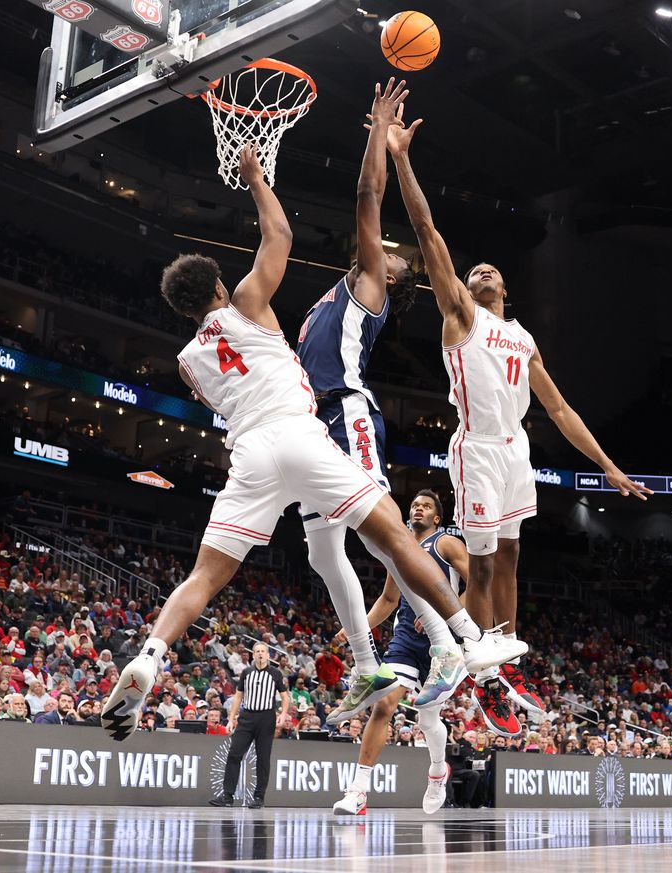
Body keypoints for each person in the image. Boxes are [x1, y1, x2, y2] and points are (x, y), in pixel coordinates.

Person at [99, 142, 524, 740]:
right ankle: (459, 641)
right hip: (304, 432)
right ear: (220, 286)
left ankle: (148, 655)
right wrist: (254, 177)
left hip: (261, 448)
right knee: (383, 538)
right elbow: (279, 233)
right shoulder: (250, 302)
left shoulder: (189, 361)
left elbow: (367, 207)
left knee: (207, 575)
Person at [387, 103, 649, 732]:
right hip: (475, 447)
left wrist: (609, 467)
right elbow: (427, 232)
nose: (480, 271)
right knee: (477, 563)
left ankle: (500, 656)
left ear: (505, 287)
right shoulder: (462, 317)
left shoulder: (522, 336)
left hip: (516, 451)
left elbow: (559, 408)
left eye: (489, 269)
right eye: (473, 270)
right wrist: (401, 157)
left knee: (508, 559)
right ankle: (469, 651)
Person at [292, 79, 420, 719]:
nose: (382, 249)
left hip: (348, 412)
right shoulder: (329, 296)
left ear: (389, 275)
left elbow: (367, 197)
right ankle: (369, 669)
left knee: (379, 533)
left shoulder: (372, 283)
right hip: (314, 426)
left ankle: (447, 639)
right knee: (322, 549)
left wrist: (378, 131)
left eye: (390, 254)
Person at [333, 489, 468, 816]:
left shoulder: (447, 544)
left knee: (427, 718)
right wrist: (356, 628)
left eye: (425, 506)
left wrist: (451, 615)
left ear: (437, 517)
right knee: (384, 705)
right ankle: (359, 790)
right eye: (414, 505)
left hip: (444, 644)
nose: (418, 509)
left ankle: (438, 770)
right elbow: (389, 601)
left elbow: (478, 583)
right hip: (406, 637)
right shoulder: (399, 549)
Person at [210, 642, 290, 809]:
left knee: (263, 758)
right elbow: (238, 697)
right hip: (247, 717)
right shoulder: (246, 672)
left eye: (263, 651)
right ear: (253, 655)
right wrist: (231, 719)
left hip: (266, 718)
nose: (260, 654)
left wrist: (282, 714)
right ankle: (227, 796)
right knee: (234, 753)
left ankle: (259, 797)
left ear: (268, 655)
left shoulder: (275, 673)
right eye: (257, 651)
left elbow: (285, 697)